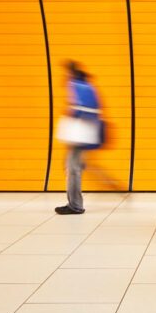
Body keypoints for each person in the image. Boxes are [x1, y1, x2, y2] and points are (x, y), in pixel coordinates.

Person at [56, 61, 100, 215]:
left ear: (71, 73)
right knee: (74, 167)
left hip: (78, 133)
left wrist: (69, 114)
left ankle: (75, 205)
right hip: (87, 133)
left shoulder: (76, 85)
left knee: (72, 168)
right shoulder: (87, 85)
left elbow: (77, 108)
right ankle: (75, 203)